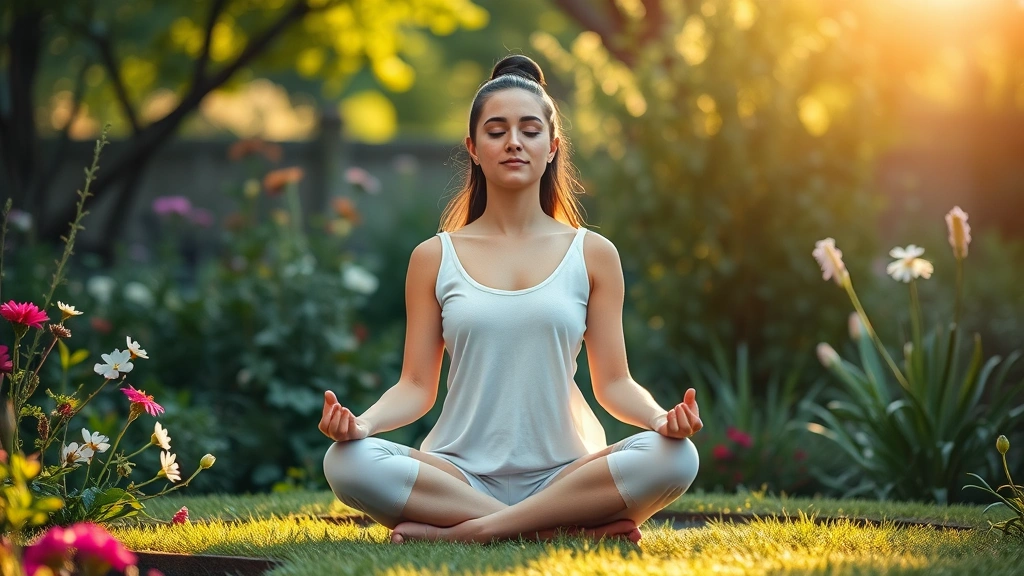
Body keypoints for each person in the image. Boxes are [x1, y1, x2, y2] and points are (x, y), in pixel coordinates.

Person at [319, 54, 701, 544]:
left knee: (676, 456)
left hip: (565, 475)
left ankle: (470, 533)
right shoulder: (434, 257)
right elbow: (416, 386)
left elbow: (615, 383)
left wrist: (659, 420)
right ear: (473, 148)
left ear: (552, 146)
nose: (514, 142)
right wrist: (362, 424)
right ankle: (559, 529)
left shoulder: (593, 254)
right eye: (497, 131)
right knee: (346, 462)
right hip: (459, 476)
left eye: (529, 129)